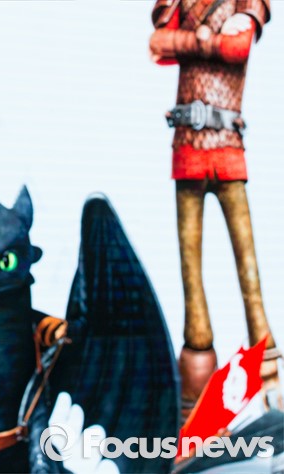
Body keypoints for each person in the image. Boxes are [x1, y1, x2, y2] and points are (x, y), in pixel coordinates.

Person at [149, 0, 280, 422]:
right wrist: (207, 39)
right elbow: (158, 43)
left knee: (249, 270)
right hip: (187, 149)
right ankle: (197, 384)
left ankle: (270, 373)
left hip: (227, 148)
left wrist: (192, 42)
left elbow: (238, 47)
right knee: (191, 274)